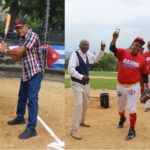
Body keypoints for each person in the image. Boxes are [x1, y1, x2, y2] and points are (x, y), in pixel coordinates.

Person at [0, 18, 44, 139]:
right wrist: (5, 51)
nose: (19, 30)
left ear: (26, 26)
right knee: (22, 97)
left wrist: (6, 50)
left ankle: (31, 128)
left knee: (32, 99)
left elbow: (20, 51)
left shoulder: (33, 35)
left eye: (20, 27)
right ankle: (20, 118)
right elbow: (16, 57)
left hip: (36, 71)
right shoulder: (21, 40)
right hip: (26, 72)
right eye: (17, 28)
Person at [109, 30, 148, 140]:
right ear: (132, 44)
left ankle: (132, 130)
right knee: (120, 108)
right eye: (136, 44)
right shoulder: (123, 53)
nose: (137, 47)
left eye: (139, 46)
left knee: (131, 108)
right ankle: (122, 118)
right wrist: (114, 38)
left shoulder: (142, 60)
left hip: (133, 87)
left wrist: (147, 89)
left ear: (140, 48)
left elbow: (145, 75)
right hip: (121, 86)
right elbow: (112, 49)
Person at [68, 39, 105, 140]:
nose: (85, 46)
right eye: (83, 45)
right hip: (76, 83)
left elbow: (96, 59)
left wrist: (101, 50)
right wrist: (81, 77)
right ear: (79, 46)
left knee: (85, 104)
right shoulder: (74, 55)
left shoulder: (88, 54)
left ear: (88, 47)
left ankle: (81, 121)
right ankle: (74, 130)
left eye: (87, 45)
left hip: (86, 84)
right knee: (79, 104)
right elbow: (70, 70)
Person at [143, 41, 150, 112]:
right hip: (147, 75)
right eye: (149, 46)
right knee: (147, 90)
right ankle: (148, 106)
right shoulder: (145, 55)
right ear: (148, 46)